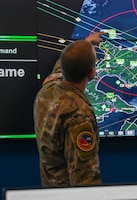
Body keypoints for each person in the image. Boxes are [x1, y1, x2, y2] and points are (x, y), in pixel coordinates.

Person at [33, 32, 105, 187]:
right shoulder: (79, 115)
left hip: (50, 190)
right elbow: (85, 179)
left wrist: (86, 43)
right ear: (91, 73)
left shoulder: (47, 90)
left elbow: (61, 67)